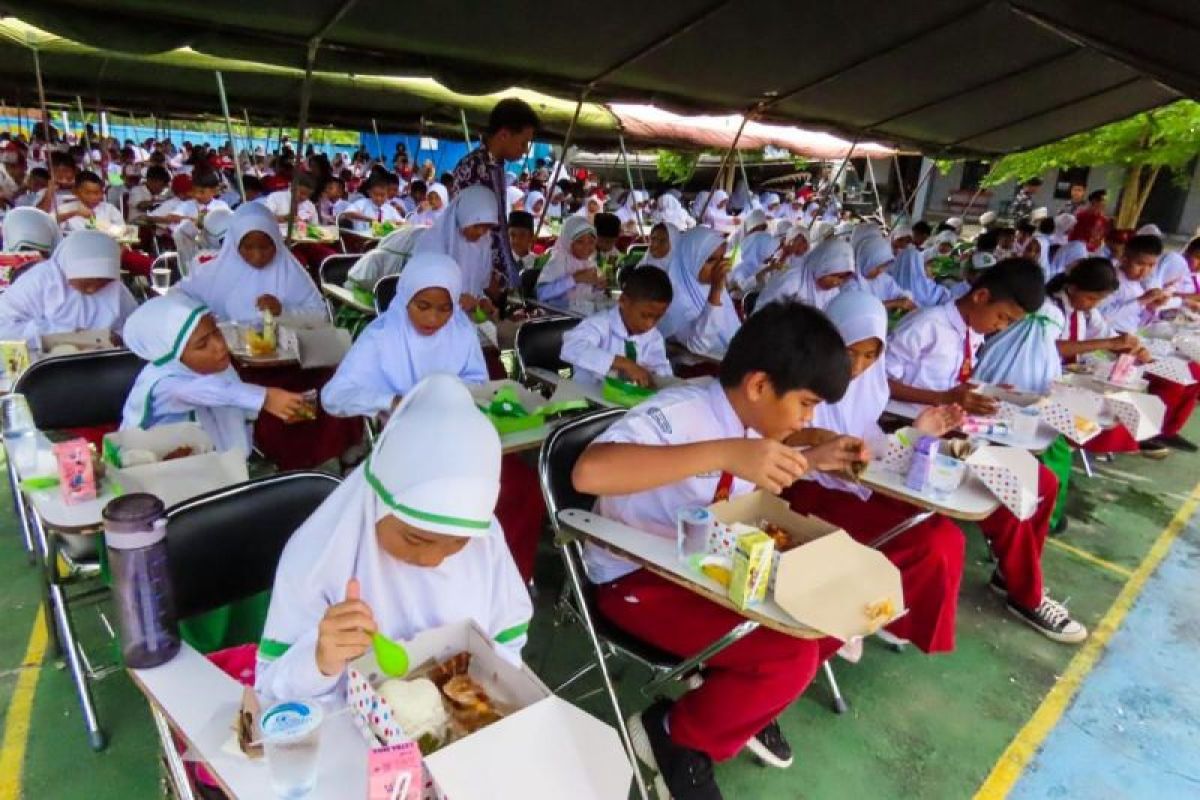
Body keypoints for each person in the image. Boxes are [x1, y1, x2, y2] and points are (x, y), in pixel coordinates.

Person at [571, 302, 865, 800]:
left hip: (703, 564)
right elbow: (589, 473)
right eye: (806, 403)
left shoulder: (753, 420)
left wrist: (815, 458)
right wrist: (724, 452)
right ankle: (673, 736)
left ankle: (733, 706)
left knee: (838, 608)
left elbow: (749, 464)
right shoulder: (683, 412)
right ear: (758, 386)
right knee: (789, 658)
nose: (808, 418)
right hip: (635, 578)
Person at [255, 374, 533, 700]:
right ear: (376, 501)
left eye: (457, 544)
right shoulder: (316, 557)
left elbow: (507, 641)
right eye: (416, 539)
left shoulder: (484, 538)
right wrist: (320, 660)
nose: (432, 560)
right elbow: (271, 693)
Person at [886, 257, 1087, 643]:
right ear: (980, 296)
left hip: (950, 427)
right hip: (910, 432)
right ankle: (1026, 595)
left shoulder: (970, 330)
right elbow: (879, 382)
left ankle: (1009, 573)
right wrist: (944, 396)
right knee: (1008, 495)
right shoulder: (926, 325)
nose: (1003, 328)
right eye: (1004, 318)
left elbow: (955, 380)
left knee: (1042, 483)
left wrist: (983, 392)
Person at [321, 254, 544, 581]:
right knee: (442, 501)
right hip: (406, 446)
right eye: (422, 306)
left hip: (458, 440)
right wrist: (389, 400)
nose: (434, 318)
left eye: (444, 308)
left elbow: (477, 381)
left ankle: (501, 577)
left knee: (522, 489)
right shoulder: (381, 336)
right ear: (406, 298)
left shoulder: (462, 330)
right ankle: (445, 574)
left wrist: (460, 396)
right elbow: (334, 396)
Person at [783, 290, 966, 655]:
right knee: (925, 543)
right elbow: (774, 440)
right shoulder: (797, 377)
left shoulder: (869, 384)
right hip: (801, 488)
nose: (858, 366)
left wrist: (917, 434)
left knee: (947, 536)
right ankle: (850, 616)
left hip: (854, 485)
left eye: (870, 355)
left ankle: (891, 615)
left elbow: (870, 442)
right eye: (850, 353)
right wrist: (821, 447)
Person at [120, 294, 309, 453]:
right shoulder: (164, 383)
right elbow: (213, 390)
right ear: (173, 356)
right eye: (202, 345)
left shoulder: (211, 365)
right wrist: (266, 397)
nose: (219, 346)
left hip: (207, 458)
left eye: (216, 333)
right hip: (162, 466)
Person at [175, 202, 326, 325]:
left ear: (277, 243)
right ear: (234, 245)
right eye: (248, 248)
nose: (257, 256)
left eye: (266, 247)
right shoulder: (212, 273)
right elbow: (178, 296)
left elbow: (320, 315)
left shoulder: (290, 273)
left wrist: (284, 311)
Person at [450, 98, 539, 289]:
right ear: (504, 134)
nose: (524, 151)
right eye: (523, 143)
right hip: (476, 278)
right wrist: (488, 276)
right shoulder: (473, 168)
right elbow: (468, 232)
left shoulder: (496, 166)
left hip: (494, 275)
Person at [0, 230, 136, 346]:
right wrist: (60, 334)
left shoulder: (116, 289)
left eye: (103, 281)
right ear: (68, 269)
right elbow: (5, 326)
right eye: (87, 281)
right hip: (40, 363)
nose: (92, 289)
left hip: (98, 361)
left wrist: (116, 337)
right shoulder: (40, 281)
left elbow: (135, 326)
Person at [560, 265, 674, 389]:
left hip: (629, 402)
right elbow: (571, 348)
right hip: (588, 399)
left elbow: (662, 370)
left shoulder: (654, 337)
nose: (650, 324)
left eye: (658, 317)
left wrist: (654, 375)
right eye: (645, 316)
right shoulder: (599, 324)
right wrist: (624, 363)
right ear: (623, 301)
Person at [413, 184, 500, 316]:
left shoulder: (482, 243)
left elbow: (474, 286)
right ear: (464, 216)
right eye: (477, 226)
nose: (482, 232)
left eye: (487, 227)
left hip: (463, 319)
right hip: (430, 318)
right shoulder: (433, 243)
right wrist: (455, 298)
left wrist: (482, 299)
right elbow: (418, 288)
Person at [658, 226, 740, 357]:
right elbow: (698, 346)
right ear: (691, 260)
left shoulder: (714, 287)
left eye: (722, 258)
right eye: (711, 260)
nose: (719, 266)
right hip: (704, 370)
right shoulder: (674, 299)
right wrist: (715, 291)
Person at [757, 236, 854, 311]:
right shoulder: (790, 283)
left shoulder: (834, 292)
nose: (836, 282)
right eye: (834, 276)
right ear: (821, 266)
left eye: (842, 278)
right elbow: (766, 316)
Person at [535, 215, 603, 305]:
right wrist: (575, 279)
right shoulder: (559, 260)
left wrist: (598, 287)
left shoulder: (589, 262)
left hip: (581, 313)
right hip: (559, 316)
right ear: (568, 241)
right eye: (580, 241)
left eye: (591, 242)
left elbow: (588, 296)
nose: (586, 247)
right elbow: (541, 294)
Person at [852, 234, 915, 312]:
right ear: (865, 261)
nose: (880, 271)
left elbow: (898, 293)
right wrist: (893, 303)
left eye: (883, 266)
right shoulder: (851, 283)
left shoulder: (883, 278)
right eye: (876, 267)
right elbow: (858, 310)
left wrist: (904, 298)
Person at [729, 210, 781, 292]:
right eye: (755, 229)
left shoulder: (763, 240)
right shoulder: (742, 262)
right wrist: (766, 270)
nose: (758, 232)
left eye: (762, 228)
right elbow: (743, 285)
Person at [593, 212, 622, 280]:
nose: (605, 245)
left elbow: (609, 272)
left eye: (610, 242)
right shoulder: (585, 252)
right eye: (601, 241)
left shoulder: (614, 254)